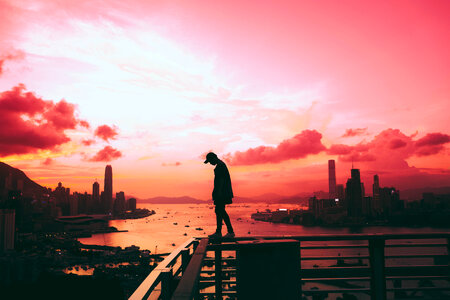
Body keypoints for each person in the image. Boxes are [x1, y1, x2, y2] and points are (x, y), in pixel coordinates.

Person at [204, 152, 235, 238]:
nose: (210, 163)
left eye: (210, 161)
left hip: (221, 193)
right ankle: (220, 232)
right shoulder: (222, 165)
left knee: (220, 211)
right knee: (219, 211)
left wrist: (218, 193)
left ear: (214, 158)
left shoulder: (220, 166)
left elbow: (220, 181)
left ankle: (228, 231)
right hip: (223, 192)